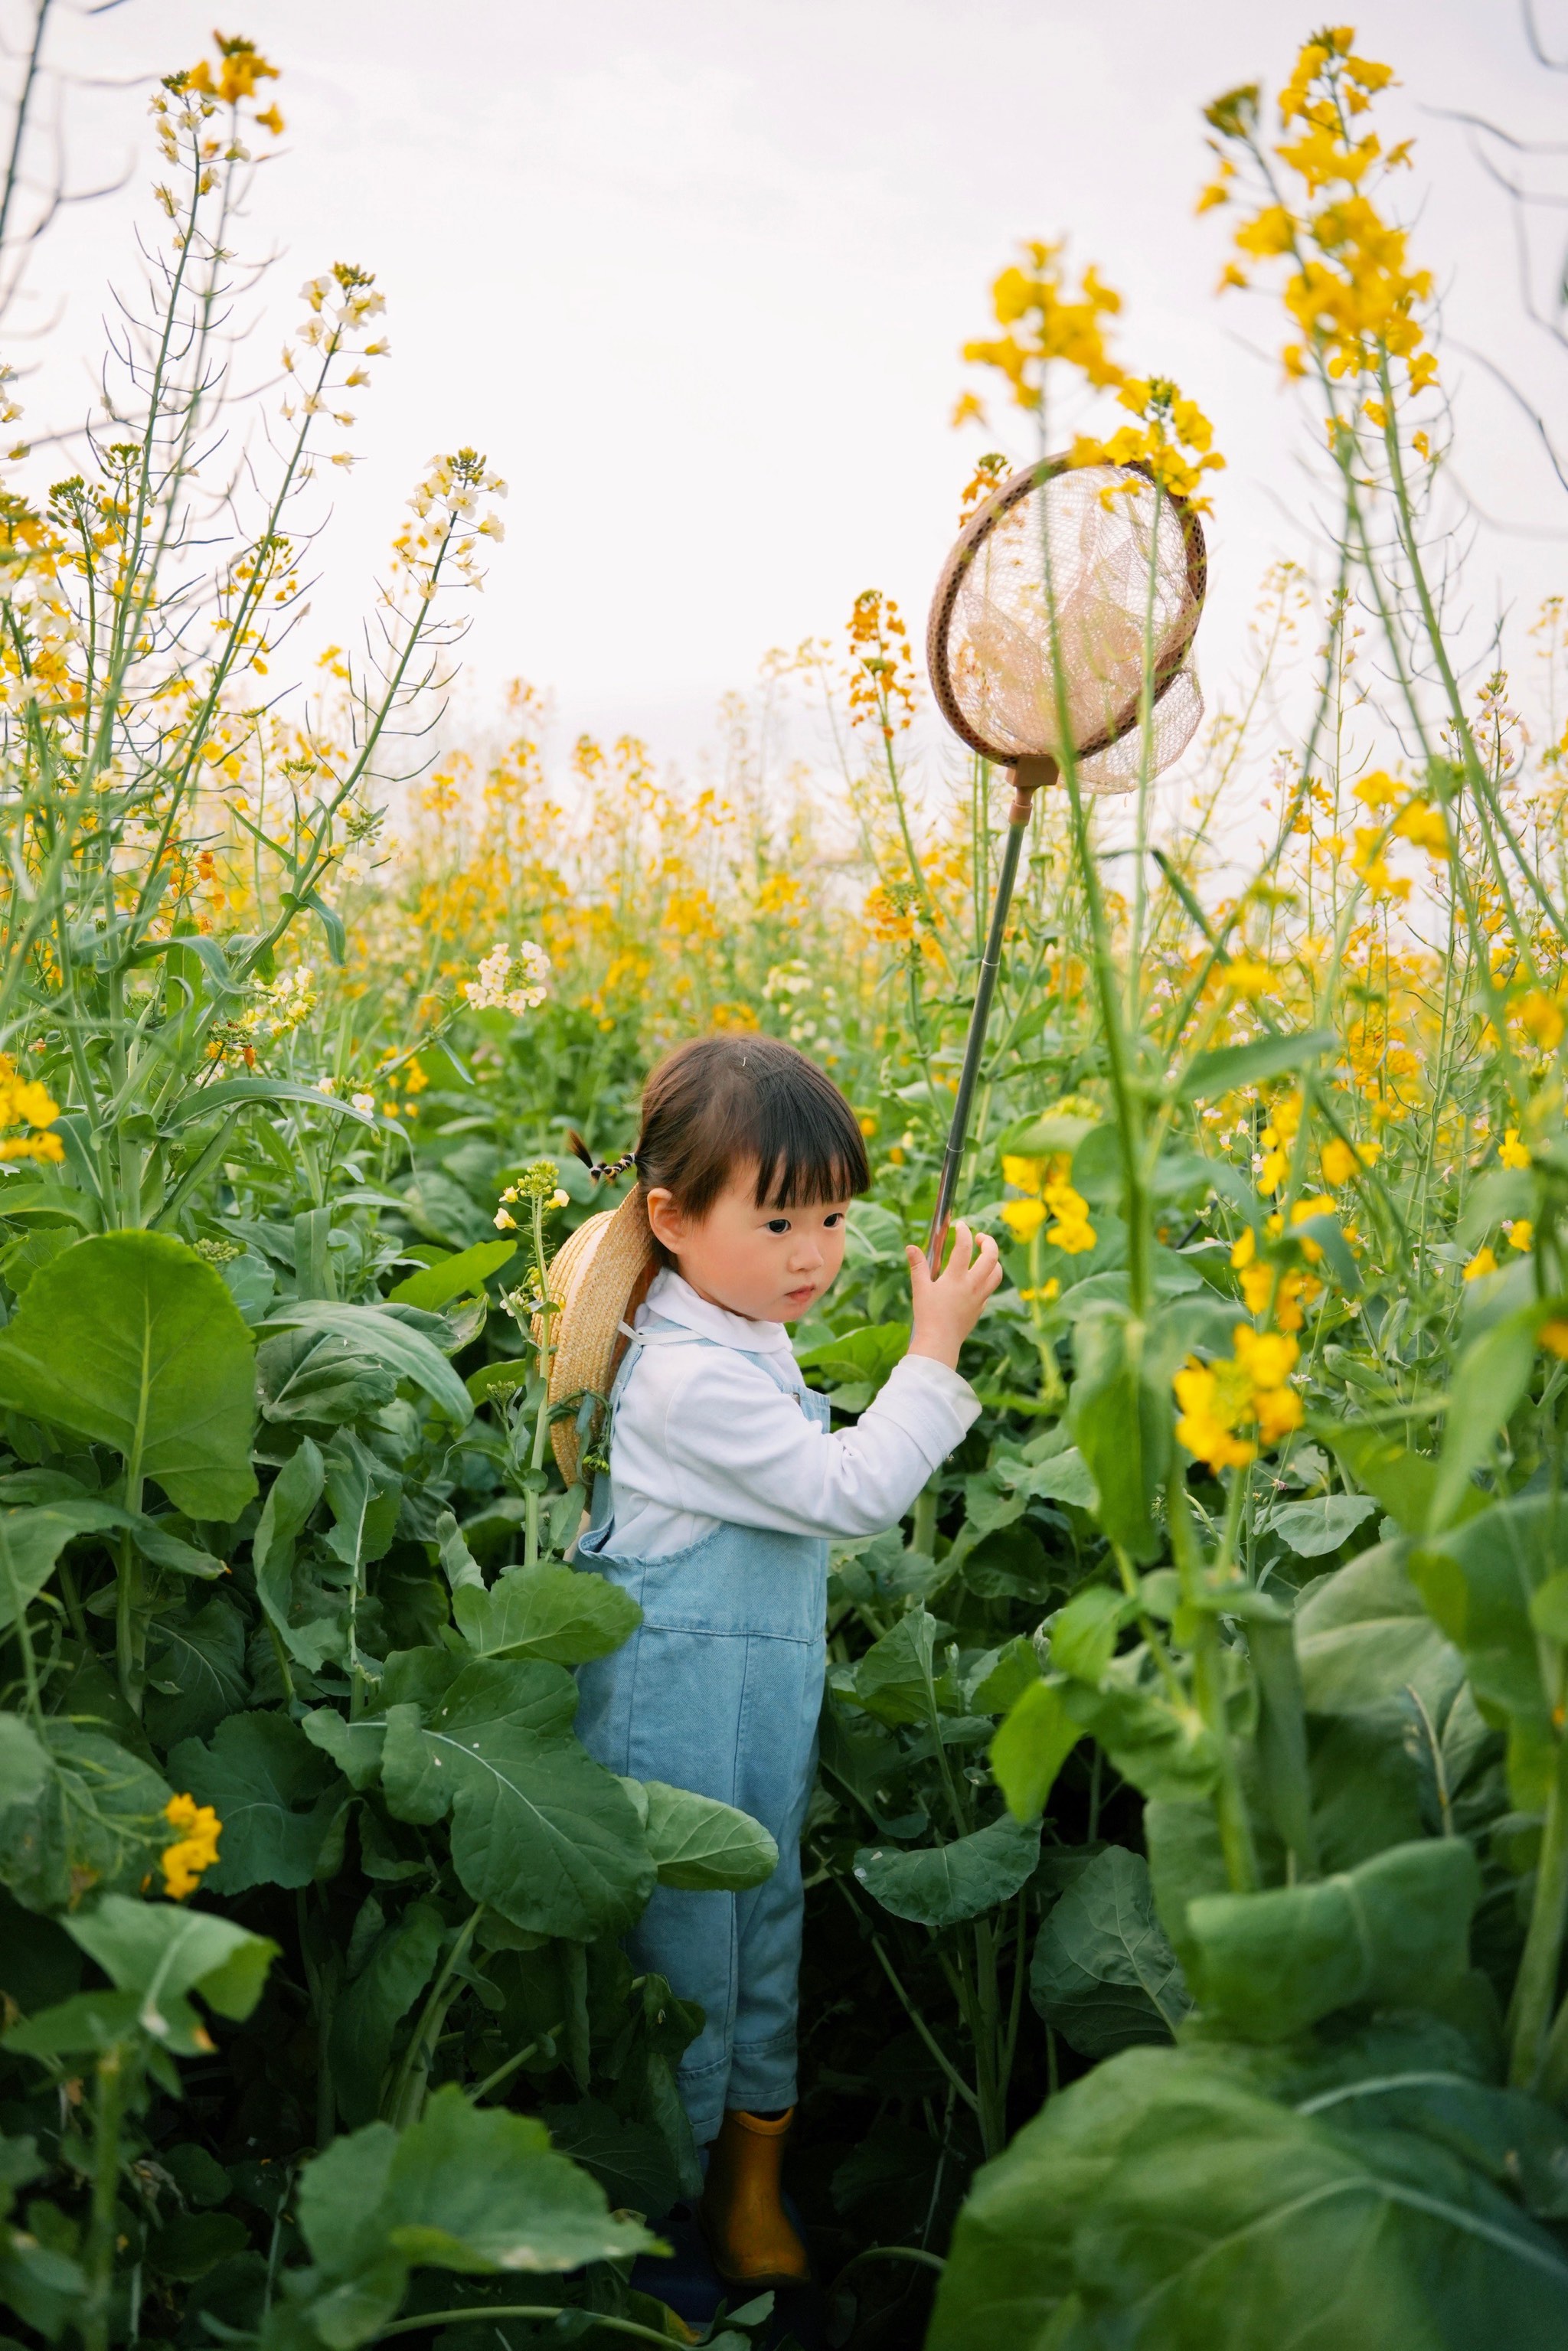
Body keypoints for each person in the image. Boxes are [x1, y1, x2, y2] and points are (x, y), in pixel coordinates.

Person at [570, 1033, 1001, 2290]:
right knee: (686, 1964)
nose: (814, 1253)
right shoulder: (688, 1381)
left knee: (763, 1931)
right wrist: (934, 1351)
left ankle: (750, 2185)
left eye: (832, 1216)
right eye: (777, 1222)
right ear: (672, 1218)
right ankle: (660, 2249)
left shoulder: (727, 1319)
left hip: (753, 1710)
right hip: (675, 1724)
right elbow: (850, 1488)